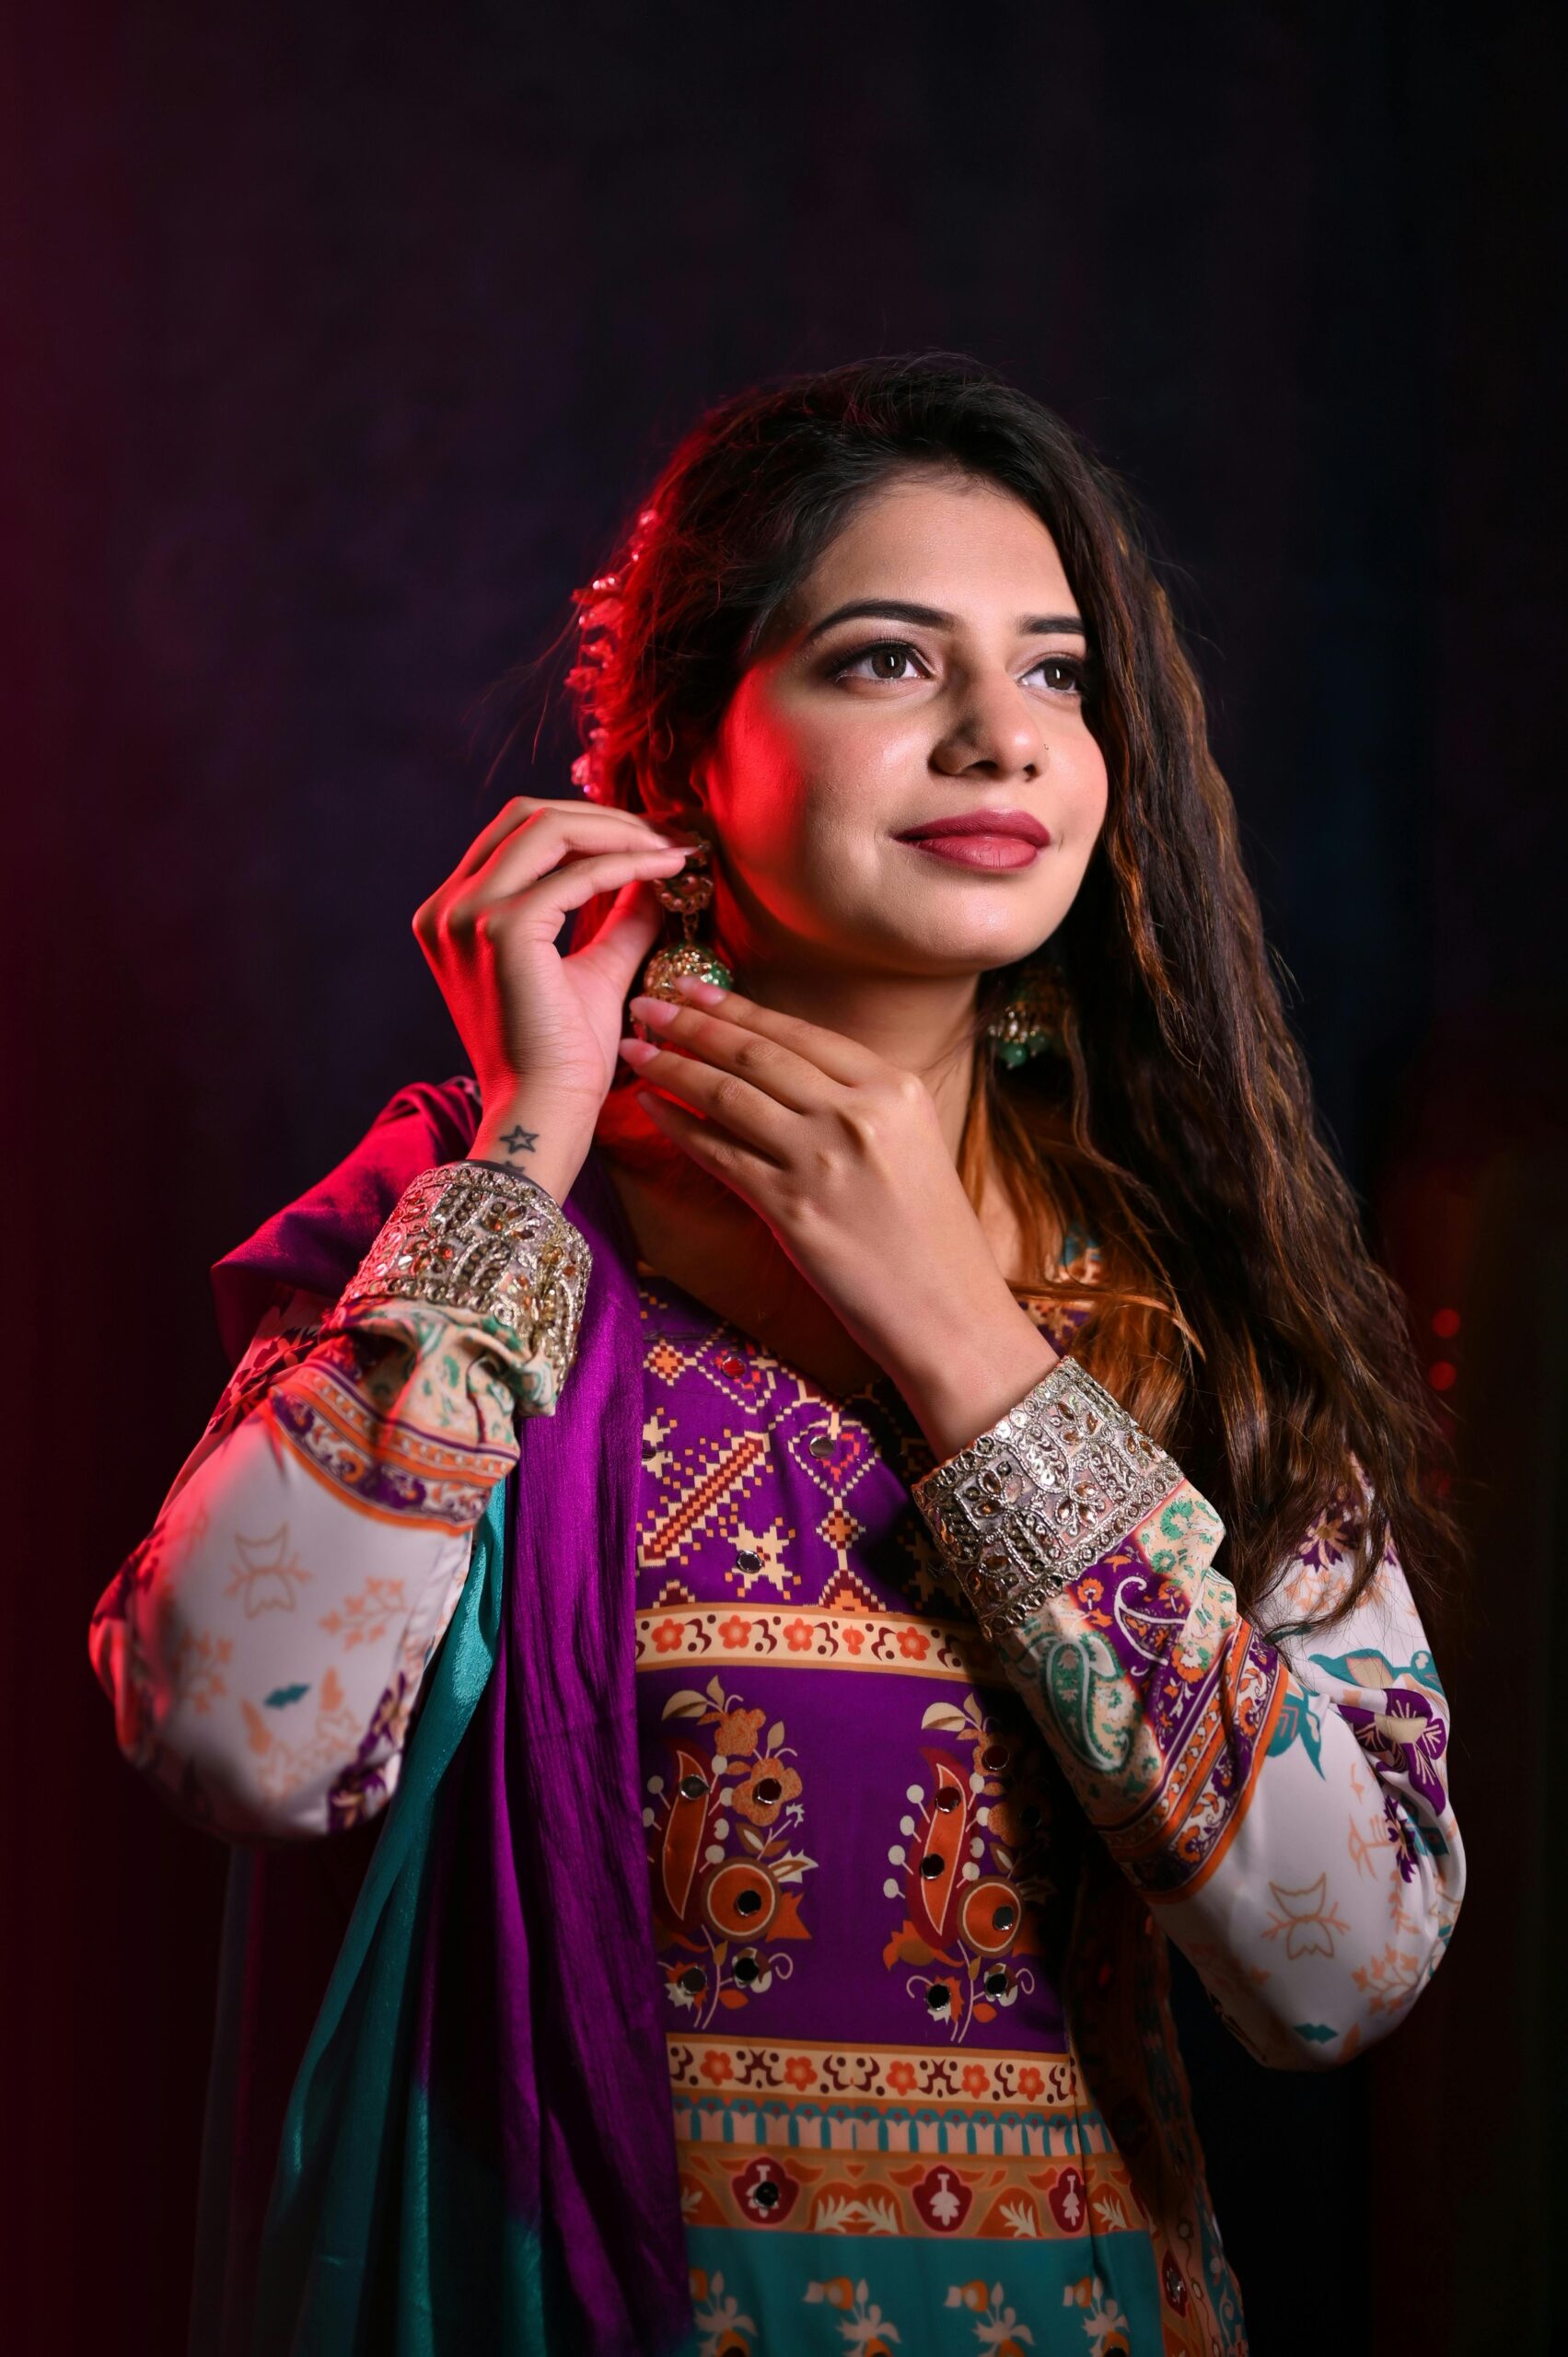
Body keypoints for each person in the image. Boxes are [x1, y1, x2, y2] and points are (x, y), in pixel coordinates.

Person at [90, 354, 1464, 2357]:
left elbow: (1349, 1960)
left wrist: (960, 1334)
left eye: (1061, 672)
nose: (1007, 733)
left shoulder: (1193, 1305)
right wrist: (530, 1141)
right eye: (892, 660)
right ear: (677, 755)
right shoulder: (488, 1236)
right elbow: (234, 1729)